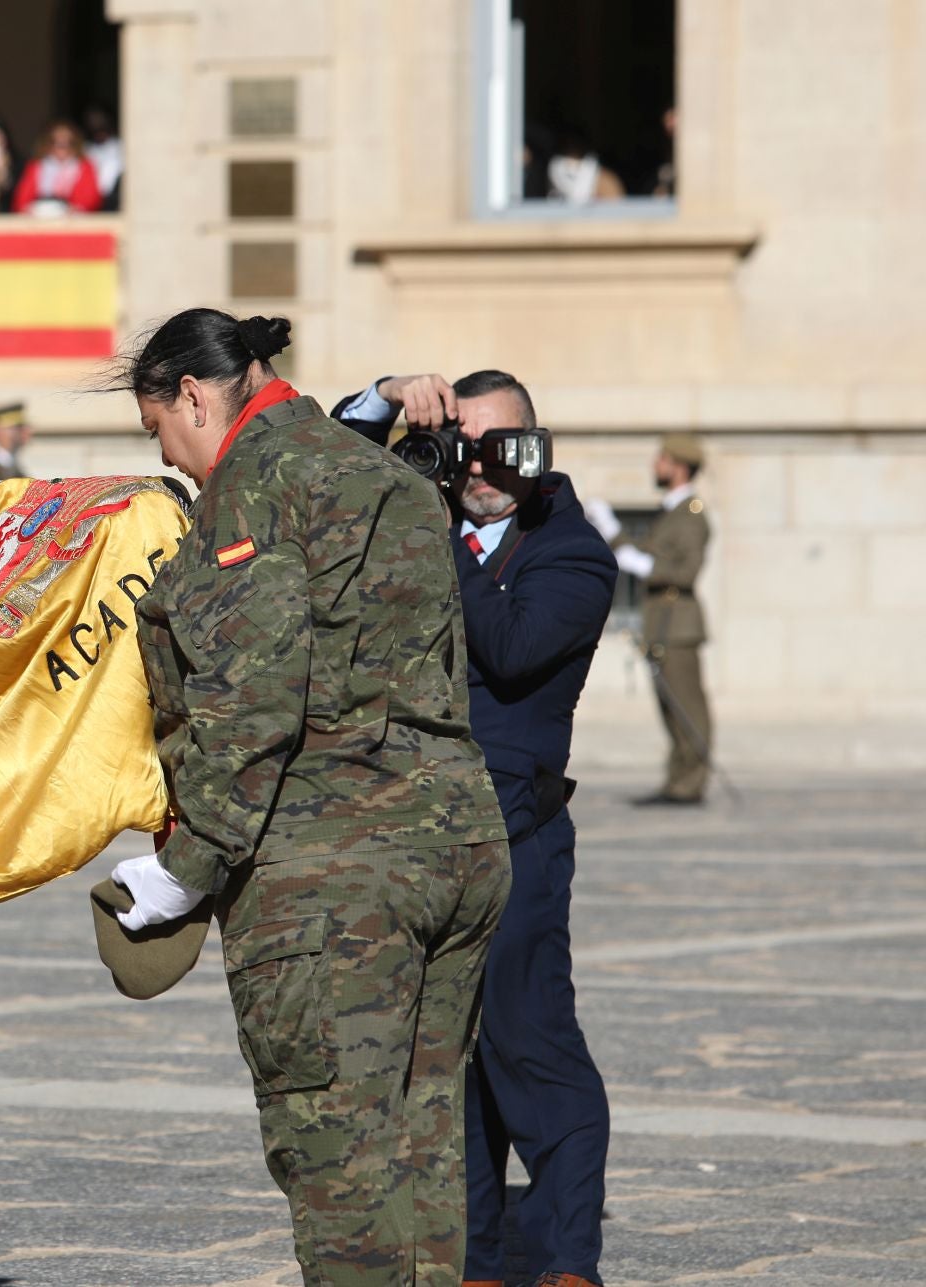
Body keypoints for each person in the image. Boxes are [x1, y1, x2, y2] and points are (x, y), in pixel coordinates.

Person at [109, 310, 509, 1287]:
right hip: (455, 840)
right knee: (420, 1151)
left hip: (336, 871)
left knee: (341, 1172)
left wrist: (184, 868)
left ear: (194, 398)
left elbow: (255, 697)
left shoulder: (252, 488)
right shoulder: (381, 470)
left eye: (158, 427)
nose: (168, 454)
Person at [334, 369, 618, 1287]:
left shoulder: (571, 551)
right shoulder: (431, 513)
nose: (482, 469)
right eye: (465, 446)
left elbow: (512, 645)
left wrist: (429, 523)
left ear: (537, 448)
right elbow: (330, 464)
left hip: (517, 836)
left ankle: (565, 1260)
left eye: (503, 447)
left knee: (533, 1049)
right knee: (450, 1067)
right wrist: (385, 399)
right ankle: (478, 1263)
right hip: (423, 840)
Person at [585, 433, 713, 805]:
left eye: (662, 459)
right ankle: (679, 779)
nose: (655, 466)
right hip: (662, 623)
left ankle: (691, 782)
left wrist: (638, 563)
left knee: (688, 706)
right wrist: (612, 530)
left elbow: (684, 571)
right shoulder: (672, 511)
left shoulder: (691, 513)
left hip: (679, 625)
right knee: (670, 708)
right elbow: (644, 551)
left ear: (679, 465)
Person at [12, 120, 103, 215]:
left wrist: (74, 209)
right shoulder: (36, 166)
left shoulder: (85, 166)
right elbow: (21, 200)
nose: (61, 147)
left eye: (67, 143)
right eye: (56, 142)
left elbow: (92, 199)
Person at [82, 107, 124, 209]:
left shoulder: (121, 147)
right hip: (89, 203)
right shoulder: (85, 149)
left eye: (100, 120)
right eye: (92, 121)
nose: (97, 124)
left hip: (115, 202)